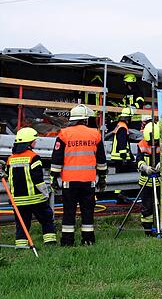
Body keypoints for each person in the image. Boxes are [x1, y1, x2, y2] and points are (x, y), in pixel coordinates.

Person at [50, 104, 108, 246]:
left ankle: (67, 241)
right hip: (88, 181)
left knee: (69, 211)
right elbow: (101, 159)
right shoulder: (95, 134)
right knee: (87, 211)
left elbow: (57, 159)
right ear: (85, 120)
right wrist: (102, 177)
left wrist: (53, 177)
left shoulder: (64, 134)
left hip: (69, 181)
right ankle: (88, 240)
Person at [5, 127, 56, 248]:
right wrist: (46, 193)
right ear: (29, 143)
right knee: (47, 220)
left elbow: (9, 179)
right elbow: (38, 180)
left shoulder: (10, 159)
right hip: (36, 199)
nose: (35, 142)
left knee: (22, 224)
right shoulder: (34, 157)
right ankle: (50, 244)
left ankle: (21, 246)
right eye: (34, 140)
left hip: (18, 200)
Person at [136, 122, 161, 236]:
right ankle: (147, 231)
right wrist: (144, 167)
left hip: (160, 181)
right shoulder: (141, 145)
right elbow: (138, 160)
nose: (153, 143)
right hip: (145, 182)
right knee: (147, 208)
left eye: (155, 141)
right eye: (151, 142)